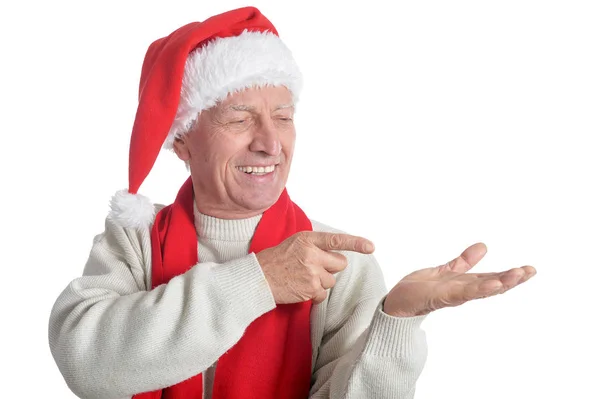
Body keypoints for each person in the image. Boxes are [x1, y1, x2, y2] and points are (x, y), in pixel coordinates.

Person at [48, 6, 537, 399]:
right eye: (240, 120)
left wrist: (397, 323)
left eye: (282, 117)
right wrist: (258, 281)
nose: (270, 143)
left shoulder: (337, 264)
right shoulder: (134, 242)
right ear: (182, 142)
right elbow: (85, 364)